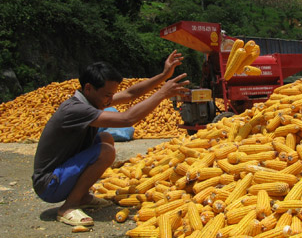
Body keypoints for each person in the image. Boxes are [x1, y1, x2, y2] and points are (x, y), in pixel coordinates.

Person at [32, 50, 189, 226]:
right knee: (106, 151)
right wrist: (161, 94)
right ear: (89, 88)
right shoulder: (75, 110)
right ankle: (68, 207)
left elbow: (130, 94)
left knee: (106, 138)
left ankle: (82, 196)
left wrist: (163, 75)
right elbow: (126, 119)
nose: (109, 100)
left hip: (61, 173)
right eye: (107, 95)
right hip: (49, 184)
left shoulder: (92, 100)